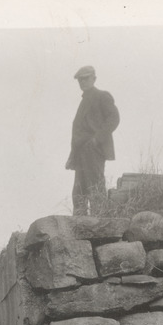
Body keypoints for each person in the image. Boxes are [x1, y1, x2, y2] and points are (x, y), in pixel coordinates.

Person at [66, 66, 120, 217]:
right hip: (80, 152)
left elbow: (114, 118)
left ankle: (100, 223)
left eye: (86, 78)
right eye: (80, 79)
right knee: (79, 191)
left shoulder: (101, 96)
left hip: (93, 150)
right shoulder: (84, 101)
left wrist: (97, 139)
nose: (83, 82)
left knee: (95, 187)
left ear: (94, 79)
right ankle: (80, 225)